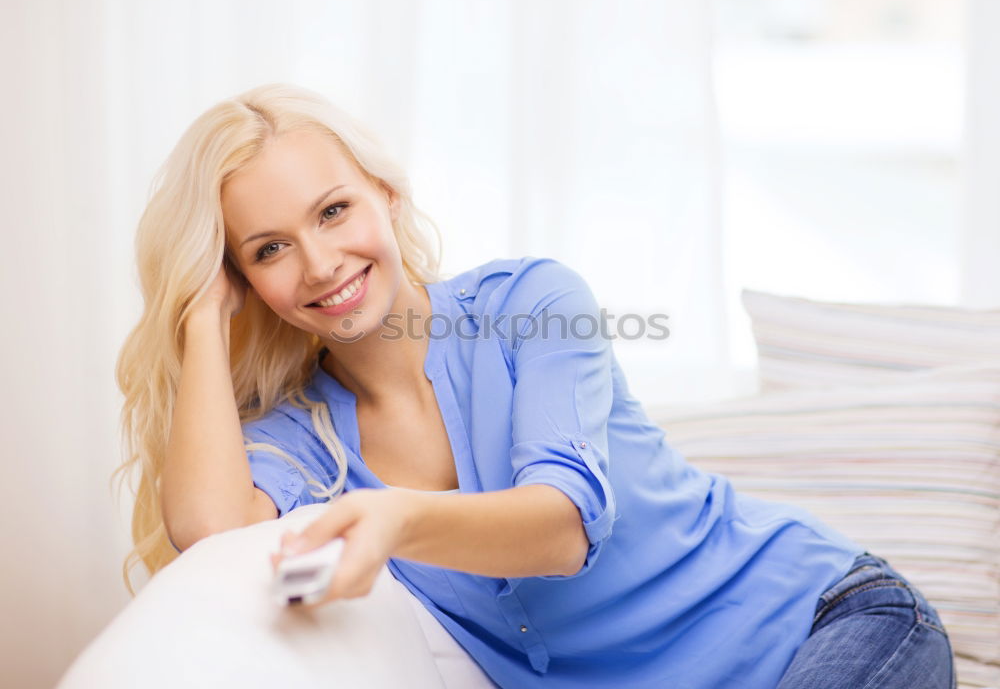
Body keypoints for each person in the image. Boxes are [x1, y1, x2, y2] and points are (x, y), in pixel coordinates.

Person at [114, 82, 956, 689]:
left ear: (388, 195)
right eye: (268, 249)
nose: (322, 262)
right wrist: (196, 316)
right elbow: (212, 530)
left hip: (832, 621)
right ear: (241, 278)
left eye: (334, 211)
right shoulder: (304, 437)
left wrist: (397, 518)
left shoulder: (532, 306)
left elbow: (562, 527)